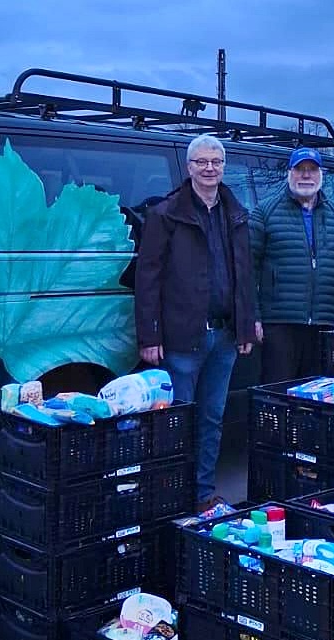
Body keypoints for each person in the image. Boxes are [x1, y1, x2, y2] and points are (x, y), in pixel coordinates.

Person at [134, 135, 259, 510]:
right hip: (182, 338)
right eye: (201, 162)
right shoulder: (166, 214)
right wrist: (149, 336)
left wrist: (246, 325)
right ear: (189, 168)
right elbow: (147, 278)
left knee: (212, 419)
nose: (209, 168)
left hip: (224, 336)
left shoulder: (235, 213)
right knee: (177, 420)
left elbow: (244, 273)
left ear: (224, 167)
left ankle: (202, 495)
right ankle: (172, 496)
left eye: (216, 162)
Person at [250, 146, 334, 382]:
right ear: (289, 173)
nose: (306, 175)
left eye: (312, 169)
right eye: (300, 169)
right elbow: (248, 268)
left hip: (325, 323)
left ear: (321, 174)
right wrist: (254, 315)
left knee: (317, 392)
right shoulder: (266, 211)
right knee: (277, 392)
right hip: (279, 324)